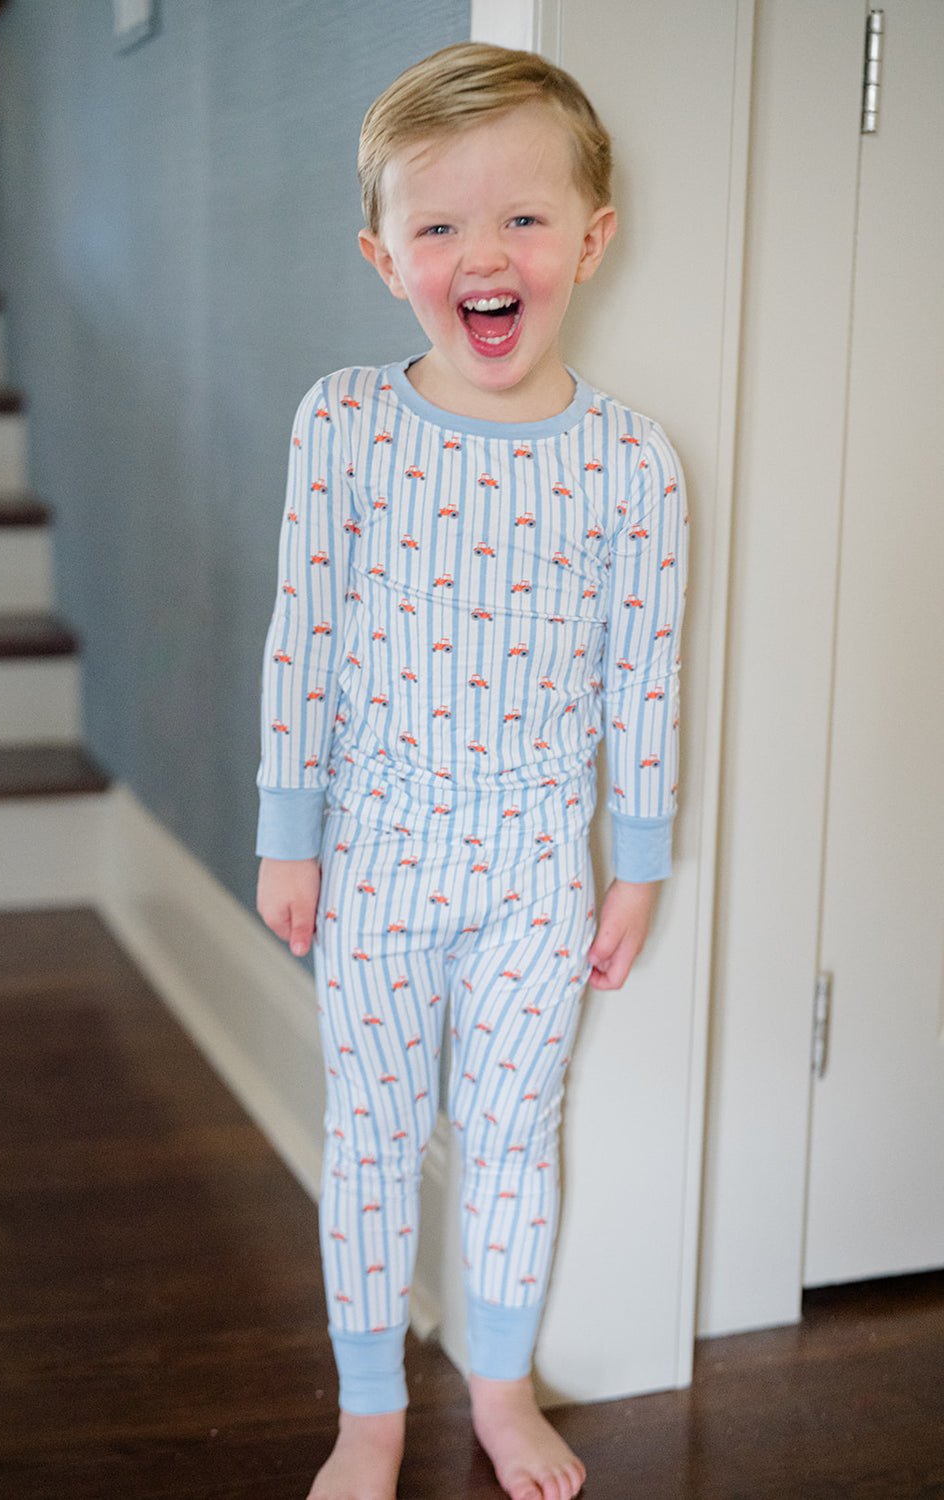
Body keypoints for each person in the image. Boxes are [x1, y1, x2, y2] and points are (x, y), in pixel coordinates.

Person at [256, 41, 687, 1500]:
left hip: (533, 875)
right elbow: (300, 641)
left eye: (520, 218)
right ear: (384, 257)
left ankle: (498, 1390)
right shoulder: (347, 426)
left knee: (512, 1134)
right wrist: (289, 835)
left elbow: (646, 673)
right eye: (438, 227)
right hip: (375, 855)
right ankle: (369, 1411)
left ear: (590, 238)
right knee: (373, 1136)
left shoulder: (633, 466)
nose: (483, 256)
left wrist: (639, 863)